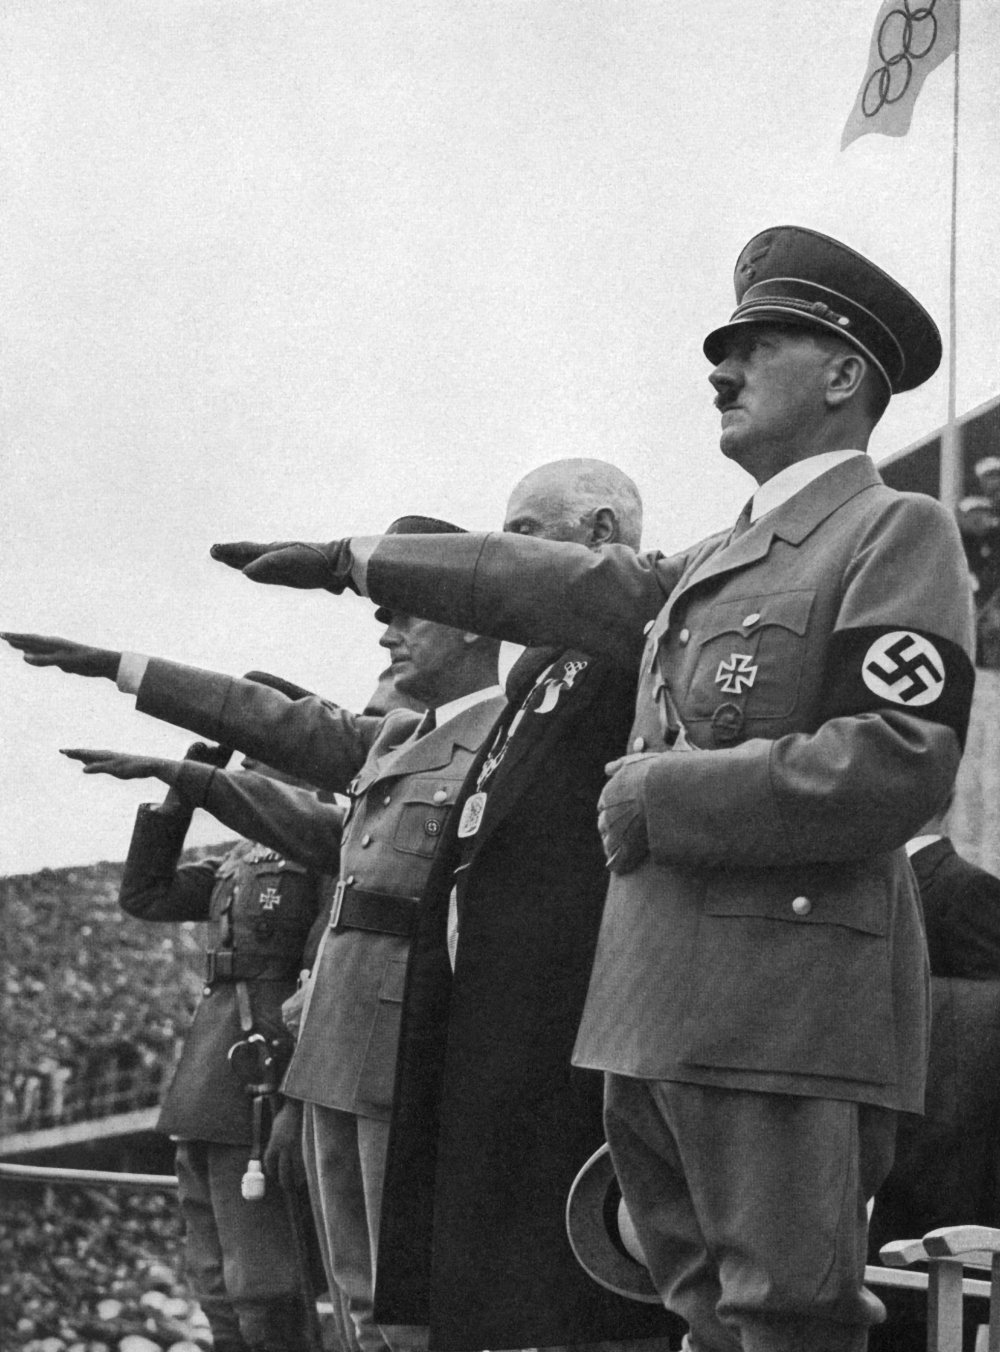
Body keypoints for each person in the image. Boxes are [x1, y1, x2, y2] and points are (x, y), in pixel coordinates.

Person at [205, 226, 977, 1352]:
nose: (719, 370)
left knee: (786, 1313)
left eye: (752, 345)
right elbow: (551, 580)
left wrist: (664, 795)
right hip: (651, 1003)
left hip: (785, 1007)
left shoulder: (890, 530)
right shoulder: (717, 561)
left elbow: (901, 759)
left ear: (844, 375)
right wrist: (354, 558)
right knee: (694, 1307)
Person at [2, 518, 505, 1352]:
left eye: (407, 612)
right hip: (330, 1054)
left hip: (369, 1050)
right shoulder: (397, 746)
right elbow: (155, 890)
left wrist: (198, 776)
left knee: (368, 1298)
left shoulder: (497, 735)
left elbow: (322, 831)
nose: (386, 633)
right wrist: (156, 729)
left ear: (472, 620)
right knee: (351, 1298)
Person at [371, 461, 678, 1351]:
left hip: (575, 1013)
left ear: (602, 536)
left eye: (526, 534)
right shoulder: (539, 674)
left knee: (573, 1295)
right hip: (496, 1012)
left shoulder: (640, 647)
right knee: (490, 1291)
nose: (505, 555)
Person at [77, 672, 331, 1352]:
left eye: (254, 757)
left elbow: (327, 975)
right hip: (208, 1083)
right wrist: (181, 790)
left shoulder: (327, 846)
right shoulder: (239, 860)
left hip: (265, 1072)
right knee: (215, 1280)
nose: (242, 772)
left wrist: (295, 1097)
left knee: (265, 1285)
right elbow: (146, 895)